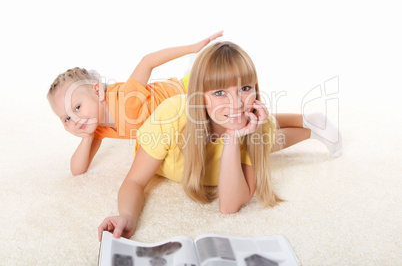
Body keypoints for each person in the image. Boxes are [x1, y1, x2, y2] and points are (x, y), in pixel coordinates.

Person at [98, 41, 342, 240]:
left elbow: (229, 206)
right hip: (199, 124)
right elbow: (135, 180)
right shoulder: (172, 114)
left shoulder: (248, 124)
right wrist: (126, 216)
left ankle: (310, 124)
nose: (236, 102)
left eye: (245, 88)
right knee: (266, 135)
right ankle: (310, 124)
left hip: (243, 130)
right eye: (219, 92)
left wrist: (234, 138)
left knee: (267, 136)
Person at [47, 31, 223, 175]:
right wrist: (86, 136)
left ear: (98, 91)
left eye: (77, 107)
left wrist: (193, 48)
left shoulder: (125, 98)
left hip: (189, 89)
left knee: (228, 93)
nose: (75, 119)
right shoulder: (97, 127)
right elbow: (77, 170)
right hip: (181, 115)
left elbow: (147, 61)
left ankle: (200, 65)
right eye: (66, 119)